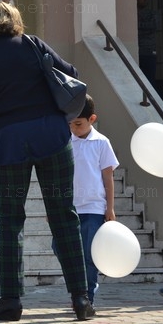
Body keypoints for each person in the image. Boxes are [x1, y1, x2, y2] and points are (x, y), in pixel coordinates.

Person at [0, 1, 95, 321]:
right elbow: (72, 75)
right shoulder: (32, 43)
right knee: (64, 215)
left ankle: (10, 302)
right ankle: (81, 298)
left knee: (10, 222)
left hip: (8, 144)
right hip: (51, 135)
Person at [59, 94, 118, 305]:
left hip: (94, 208)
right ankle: (78, 290)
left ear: (92, 119)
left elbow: (108, 178)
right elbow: (59, 177)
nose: (74, 128)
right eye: (70, 124)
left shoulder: (102, 143)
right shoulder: (65, 142)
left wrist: (109, 208)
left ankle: (87, 298)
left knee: (89, 255)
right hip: (70, 208)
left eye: (78, 124)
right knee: (60, 247)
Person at [137, 0, 158, 84]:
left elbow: (153, 26)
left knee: (149, 81)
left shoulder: (152, 13)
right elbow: (132, 26)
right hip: (138, 52)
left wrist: (139, 26)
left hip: (149, 52)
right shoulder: (132, 13)